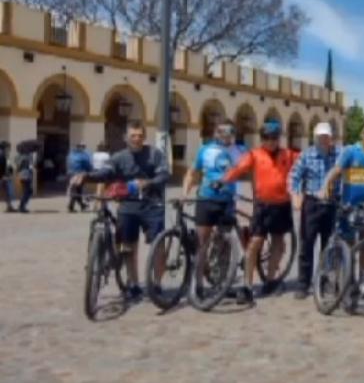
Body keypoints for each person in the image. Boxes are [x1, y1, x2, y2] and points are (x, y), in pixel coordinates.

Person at [72, 121, 169, 299]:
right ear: (126, 137)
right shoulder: (118, 157)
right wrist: (86, 176)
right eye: (133, 135)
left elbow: (164, 174)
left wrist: (149, 182)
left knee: (158, 245)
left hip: (152, 205)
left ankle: (157, 283)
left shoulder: (155, 154)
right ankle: (133, 283)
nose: (137, 139)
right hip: (128, 205)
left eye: (140, 135)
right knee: (127, 246)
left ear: (145, 137)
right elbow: (106, 173)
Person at [221, 120, 299, 304]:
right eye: (266, 137)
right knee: (254, 243)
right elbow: (239, 168)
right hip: (263, 206)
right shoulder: (254, 154)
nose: (270, 141)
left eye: (274, 137)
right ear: (261, 138)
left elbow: (306, 163)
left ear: (278, 138)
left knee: (278, 243)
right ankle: (247, 286)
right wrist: (223, 180)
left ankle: (270, 280)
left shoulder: (288, 154)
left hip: (282, 204)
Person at [322, 121, 364, 296]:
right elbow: (336, 170)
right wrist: (326, 184)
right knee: (347, 243)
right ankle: (345, 279)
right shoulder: (350, 151)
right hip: (347, 204)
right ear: (361, 134)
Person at [183, 120, 242, 296]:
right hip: (206, 199)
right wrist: (185, 193)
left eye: (229, 133)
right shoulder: (205, 150)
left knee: (224, 243)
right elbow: (192, 172)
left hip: (227, 201)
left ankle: (221, 282)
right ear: (216, 133)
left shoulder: (238, 151)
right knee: (202, 243)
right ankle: (198, 283)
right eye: (221, 132)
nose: (225, 136)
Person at [288, 121, 339, 300]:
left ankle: (325, 281)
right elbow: (294, 176)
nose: (324, 139)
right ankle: (303, 282)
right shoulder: (307, 155)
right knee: (307, 244)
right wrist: (295, 195)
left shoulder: (338, 155)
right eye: (321, 136)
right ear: (315, 137)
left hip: (332, 204)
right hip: (312, 203)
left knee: (329, 245)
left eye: (327, 136)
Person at [66, 143, 92, 212]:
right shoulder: (83, 155)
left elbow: (68, 163)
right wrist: (90, 172)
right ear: (80, 147)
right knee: (77, 191)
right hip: (79, 175)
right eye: (83, 147)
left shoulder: (70, 154)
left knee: (76, 191)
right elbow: (88, 165)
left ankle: (79, 206)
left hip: (70, 174)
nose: (84, 148)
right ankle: (75, 206)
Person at [0, 141, 16, 212]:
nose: (9, 148)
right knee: (8, 191)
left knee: (8, 192)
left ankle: (9, 207)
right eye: (8, 147)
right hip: (2, 177)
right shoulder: (1, 155)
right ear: (4, 147)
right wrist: (2, 176)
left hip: (5, 176)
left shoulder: (5, 155)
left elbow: (7, 165)